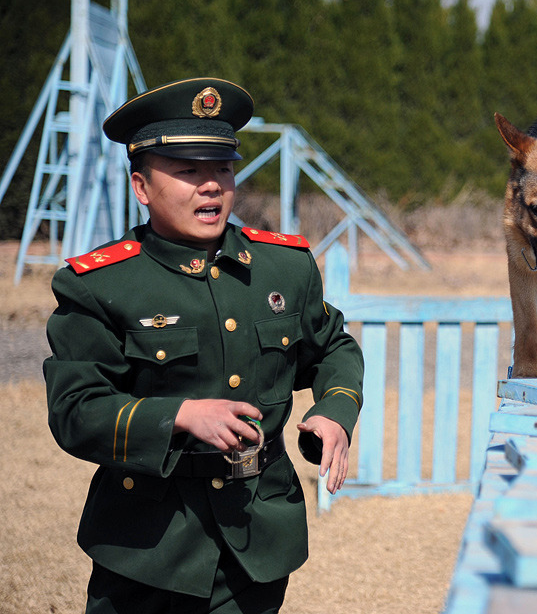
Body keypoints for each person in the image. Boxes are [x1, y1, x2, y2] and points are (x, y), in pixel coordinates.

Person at [44, 77, 364, 613]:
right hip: (148, 545)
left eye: (222, 168)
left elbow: (334, 346)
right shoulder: (99, 284)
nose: (211, 186)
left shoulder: (283, 267)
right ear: (141, 187)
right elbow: (75, 411)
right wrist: (181, 416)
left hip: (257, 535)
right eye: (189, 172)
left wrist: (334, 411)